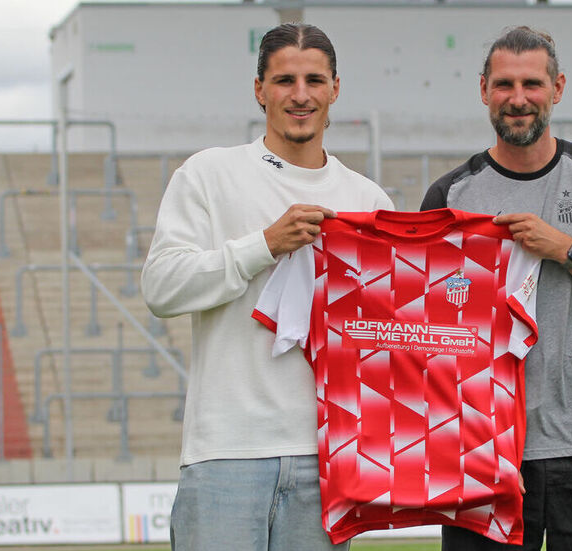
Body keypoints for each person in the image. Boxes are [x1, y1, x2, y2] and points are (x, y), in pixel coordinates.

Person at [141, 23, 393, 551]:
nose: (300, 95)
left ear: (335, 88)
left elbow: (385, 336)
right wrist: (265, 245)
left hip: (328, 458)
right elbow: (162, 288)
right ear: (259, 89)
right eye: (284, 80)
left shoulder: (369, 199)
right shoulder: (208, 174)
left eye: (314, 80)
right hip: (224, 455)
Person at [420, 26, 572, 551]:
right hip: (486, 456)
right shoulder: (450, 196)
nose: (518, 99)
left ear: (558, 88)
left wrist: (567, 250)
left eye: (532, 83)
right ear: (483, 89)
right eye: (504, 85)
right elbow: (434, 341)